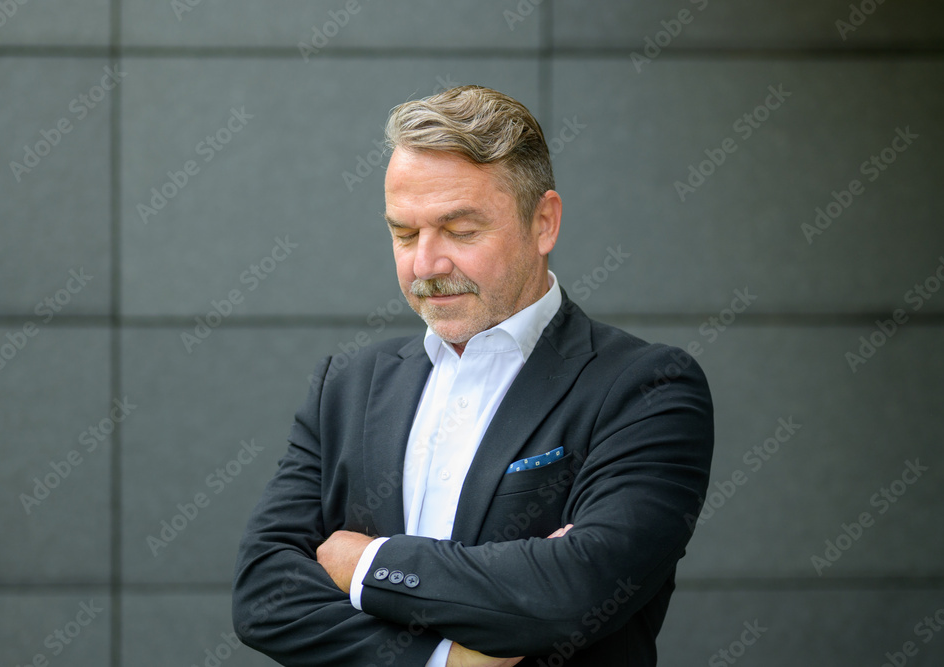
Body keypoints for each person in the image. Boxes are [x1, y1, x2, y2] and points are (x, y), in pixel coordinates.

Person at [232, 85, 714, 666]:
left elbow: (572, 596)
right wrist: (444, 662)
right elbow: (264, 595)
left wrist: (361, 564)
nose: (426, 264)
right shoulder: (346, 386)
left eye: (460, 231)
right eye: (404, 234)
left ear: (544, 223)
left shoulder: (648, 389)